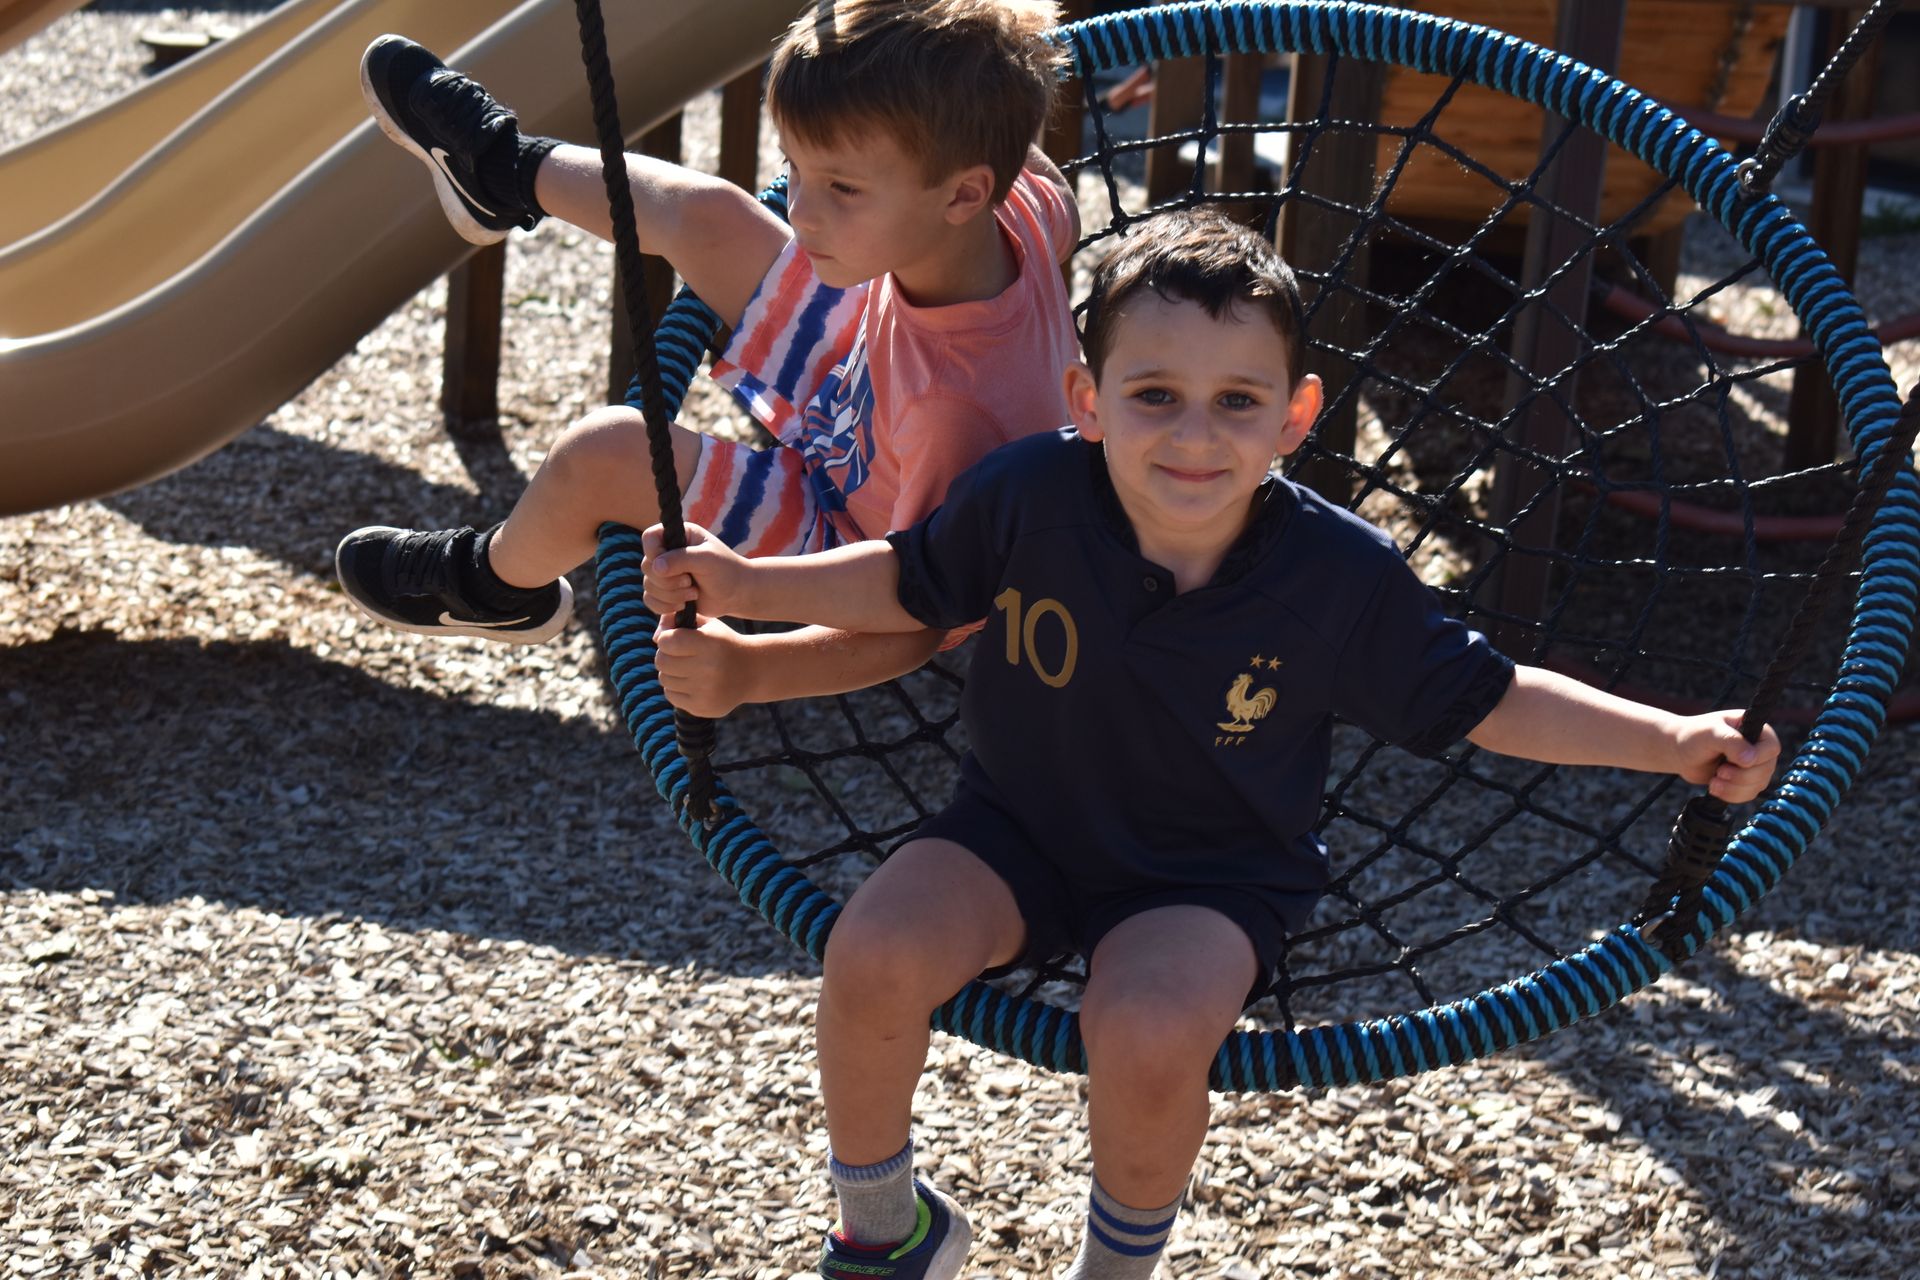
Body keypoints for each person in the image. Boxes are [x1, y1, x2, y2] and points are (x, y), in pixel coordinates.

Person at [638, 209, 1784, 1280]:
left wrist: (1672, 740)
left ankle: (1116, 1267)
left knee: (1143, 1029)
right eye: (1155, 394)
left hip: (1211, 874)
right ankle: (889, 1227)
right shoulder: (1029, 491)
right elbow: (904, 578)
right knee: (871, 949)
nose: (1195, 435)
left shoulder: (1337, 577)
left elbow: (1489, 698)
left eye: (1239, 401)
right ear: (1086, 399)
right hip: (1011, 825)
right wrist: (747, 587)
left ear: (1297, 414)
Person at [336, 0, 1079, 711]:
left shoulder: (958, 415)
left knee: (606, 452)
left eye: (842, 188)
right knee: (710, 217)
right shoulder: (1018, 206)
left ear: (962, 195)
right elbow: (1027, 166)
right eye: (799, 168)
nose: (802, 209)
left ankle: (495, 586)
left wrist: (751, 670)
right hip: (865, 388)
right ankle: (501, 169)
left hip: (853, 530)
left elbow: (919, 615)